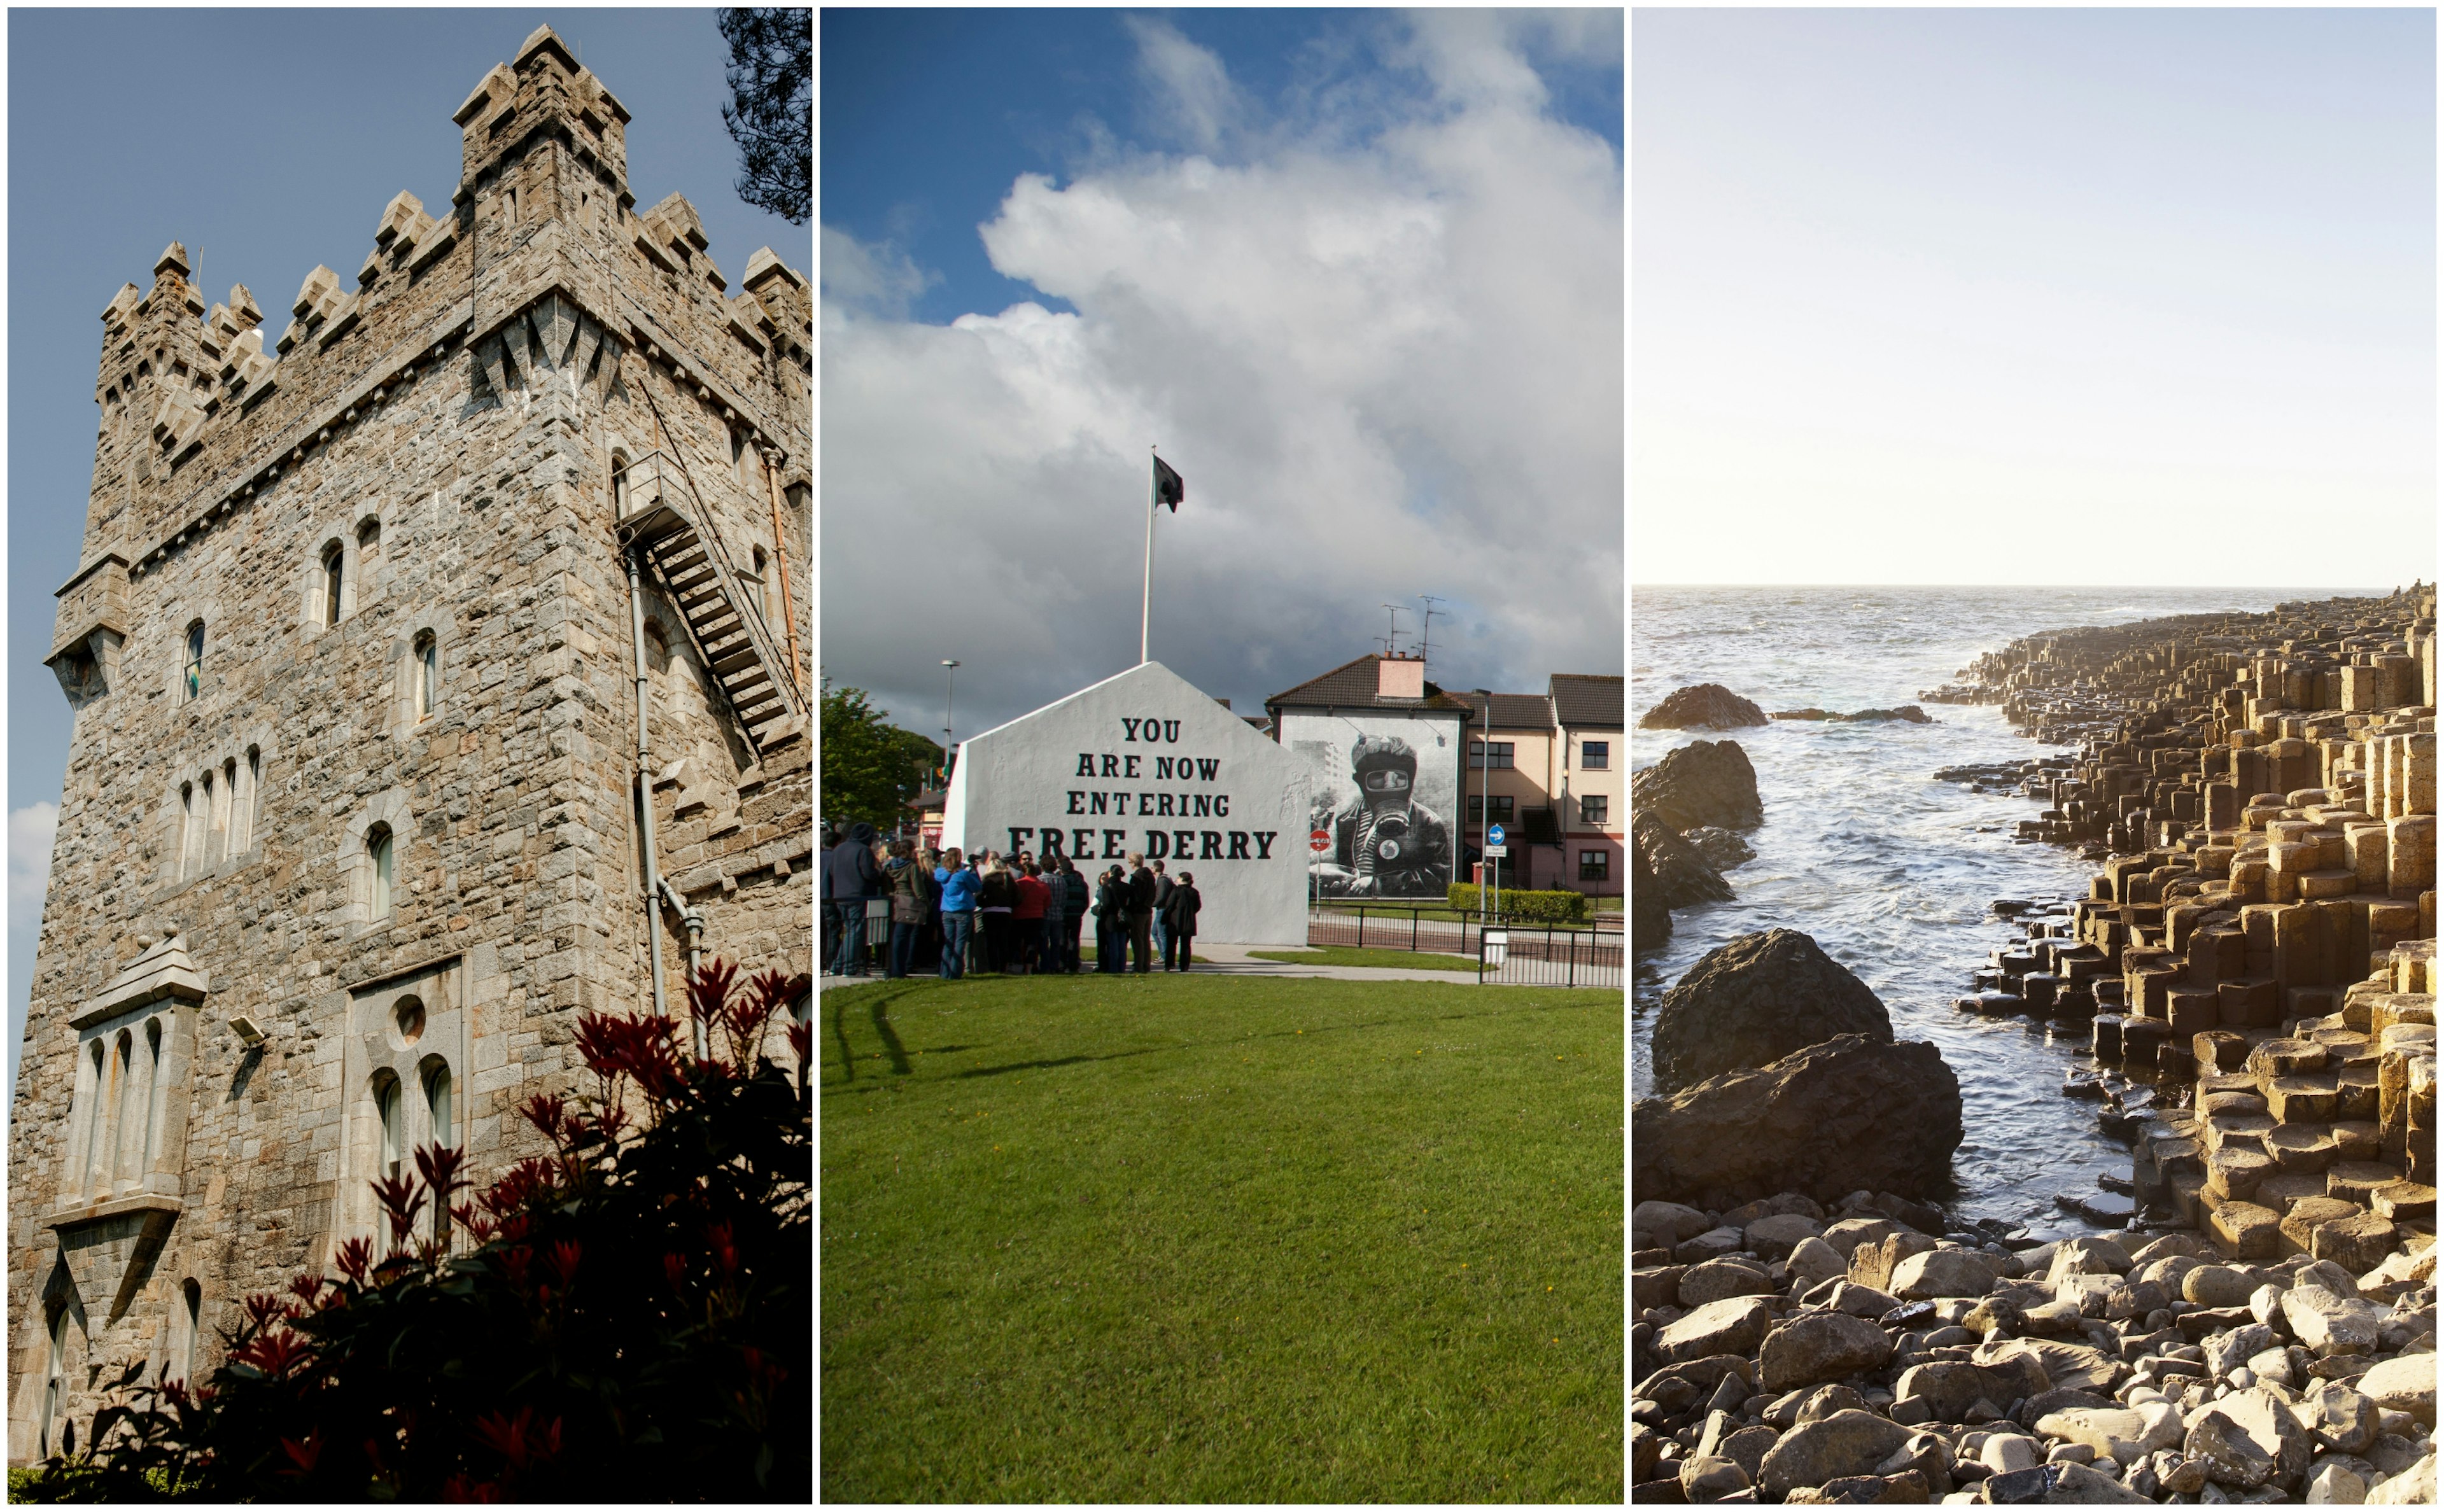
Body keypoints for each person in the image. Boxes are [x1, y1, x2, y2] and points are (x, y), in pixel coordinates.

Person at [1311, 734, 1453, 899]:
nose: (1391, 785)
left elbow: (1439, 876)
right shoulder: (1346, 822)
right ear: (1359, 780)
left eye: (1400, 778)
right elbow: (1346, 870)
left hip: (1397, 906)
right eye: (1379, 777)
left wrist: (1377, 883)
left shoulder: (1428, 823)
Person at [824, 821, 883, 976]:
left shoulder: (839, 849)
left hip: (840, 896)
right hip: (858, 895)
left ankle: (837, 966)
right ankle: (849, 968)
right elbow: (868, 874)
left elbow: (831, 871)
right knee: (855, 931)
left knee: (850, 931)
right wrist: (879, 875)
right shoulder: (864, 850)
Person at [885, 841, 932, 979]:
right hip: (909, 903)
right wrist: (925, 904)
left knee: (895, 938)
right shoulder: (912, 867)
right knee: (904, 938)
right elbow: (918, 888)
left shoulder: (890, 865)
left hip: (894, 901)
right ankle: (900, 971)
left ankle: (893, 968)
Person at [934, 847, 979, 980]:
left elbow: (951, 871)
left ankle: (945, 972)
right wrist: (973, 870)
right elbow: (977, 886)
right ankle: (954, 973)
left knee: (948, 942)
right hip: (963, 910)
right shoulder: (963, 875)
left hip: (947, 910)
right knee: (959, 943)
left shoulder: (940, 873)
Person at [977, 854, 1016, 974]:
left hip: (990, 912)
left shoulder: (986, 881)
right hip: (1005, 912)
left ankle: (993, 967)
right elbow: (1017, 897)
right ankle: (1003, 967)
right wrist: (1009, 905)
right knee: (1003, 941)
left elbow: (978, 897)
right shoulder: (1009, 879)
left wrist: (985, 903)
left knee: (991, 942)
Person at [1011, 861, 1049, 975]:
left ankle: (1015, 965)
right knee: (1032, 943)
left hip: (1019, 916)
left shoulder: (1018, 884)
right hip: (1036, 917)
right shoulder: (1043, 886)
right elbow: (1047, 903)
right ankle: (1029, 968)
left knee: (1017, 942)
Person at [1162, 871, 1202, 971]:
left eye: (1179, 878)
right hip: (1189, 921)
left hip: (1175, 920)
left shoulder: (1177, 891)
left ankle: (1169, 964)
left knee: (1171, 944)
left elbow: (1170, 905)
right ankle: (1184, 966)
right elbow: (1197, 906)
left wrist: (1165, 917)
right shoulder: (1194, 892)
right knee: (1186, 945)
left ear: (1183, 880)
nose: (1177, 880)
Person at [1125, 852, 1157, 974]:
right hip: (1148, 911)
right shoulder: (1150, 876)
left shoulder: (1137, 877)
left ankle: (1139, 966)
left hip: (1138, 912)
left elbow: (1136, 896)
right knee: (1145, 940)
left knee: (1137, 940)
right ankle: (1146, 965)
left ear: (1133, 863)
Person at [1057, 856, 1089, 972]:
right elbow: (1086, 901)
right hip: (1076, 914)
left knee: (1062, 940)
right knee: (1074, 940)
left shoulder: (1060, 881)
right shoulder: (1081, 883)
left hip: (1063, 914)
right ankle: (1073, 965)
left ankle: (1061, 964)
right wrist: (1080, 912)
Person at [1093, 865, 1127, 974]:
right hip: (1123, 918)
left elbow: (1107, 904)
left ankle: (1113, 968)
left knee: (1113, 945)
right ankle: (1121, 968)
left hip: (1111, 918)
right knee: (1122, 945)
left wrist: (1100, 910)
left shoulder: (1107, 887)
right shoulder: (1127, 887)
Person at [1149, 859, 1173, 965]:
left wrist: (1151, 904)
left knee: (1161, 933)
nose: (1151, 869)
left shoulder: (1162, 880)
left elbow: (1162, 896)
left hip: (1162, 909)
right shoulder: (1163, 879)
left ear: (1155, 868)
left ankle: (1165, 956)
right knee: (1155, 932)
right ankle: (1163, 954)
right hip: (1161, 909)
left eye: (1152, 867)